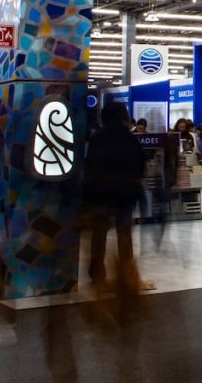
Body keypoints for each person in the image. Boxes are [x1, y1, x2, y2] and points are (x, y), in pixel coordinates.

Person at [82, 101, 147, 298]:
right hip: (125, 194)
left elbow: (89, 166)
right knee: (124, 234)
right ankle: (125, 274)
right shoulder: (130, 139)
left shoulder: (97, 139)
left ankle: (97, 274)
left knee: (99, 235)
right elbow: (140, 167)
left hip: (100, 194)